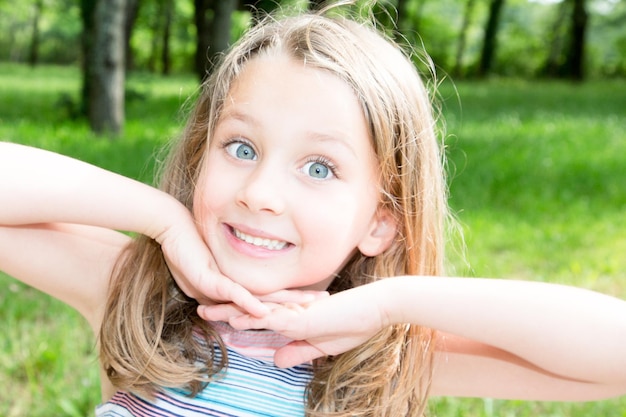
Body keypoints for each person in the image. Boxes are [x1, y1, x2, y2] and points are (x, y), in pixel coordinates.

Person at [1, 7, 626, 417]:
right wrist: (162, 217)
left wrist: (393, 304)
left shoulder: (382, 356)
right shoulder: (137, 294)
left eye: (319, 168)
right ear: (200, 159)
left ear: (383, 219)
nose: (261, 193)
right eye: (240, 148)